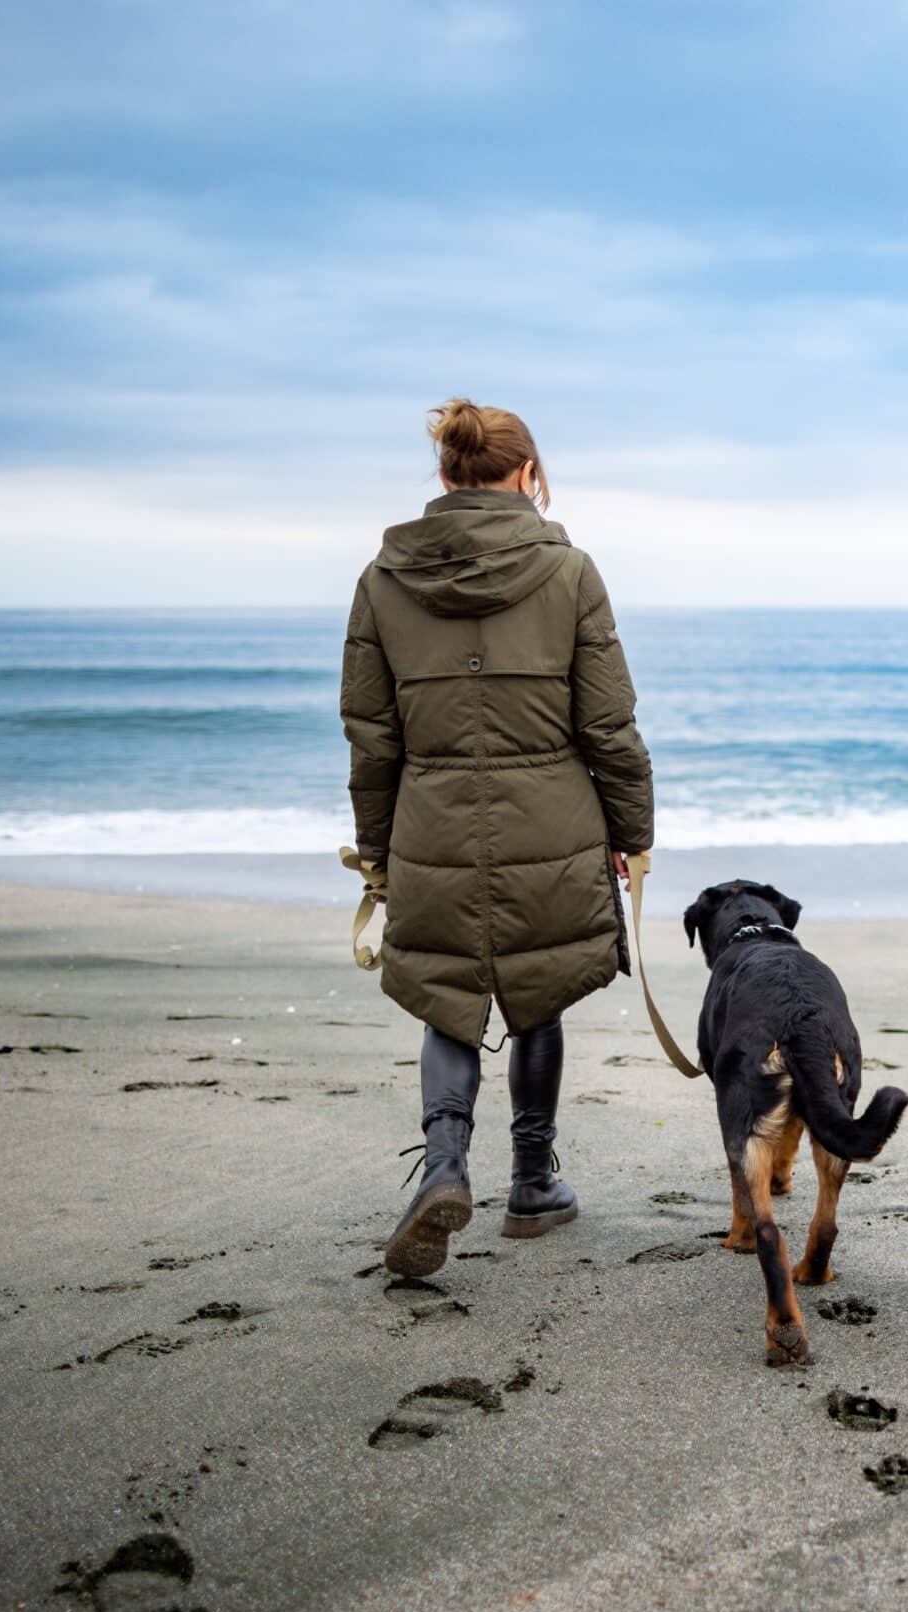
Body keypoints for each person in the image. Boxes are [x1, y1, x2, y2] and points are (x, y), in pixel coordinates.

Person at [341, 397, 653, 1277]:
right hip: (551, 822)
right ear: (526, 476)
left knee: (447, 991)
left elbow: (372, 738)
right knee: (538, 990)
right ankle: (529, 1179)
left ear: (445, 477)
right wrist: (633, 832)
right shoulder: (572, 572)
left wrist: (380, 853)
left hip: (431, 824)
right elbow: (610, 726)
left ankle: (444, 1167)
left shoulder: (382, 581)